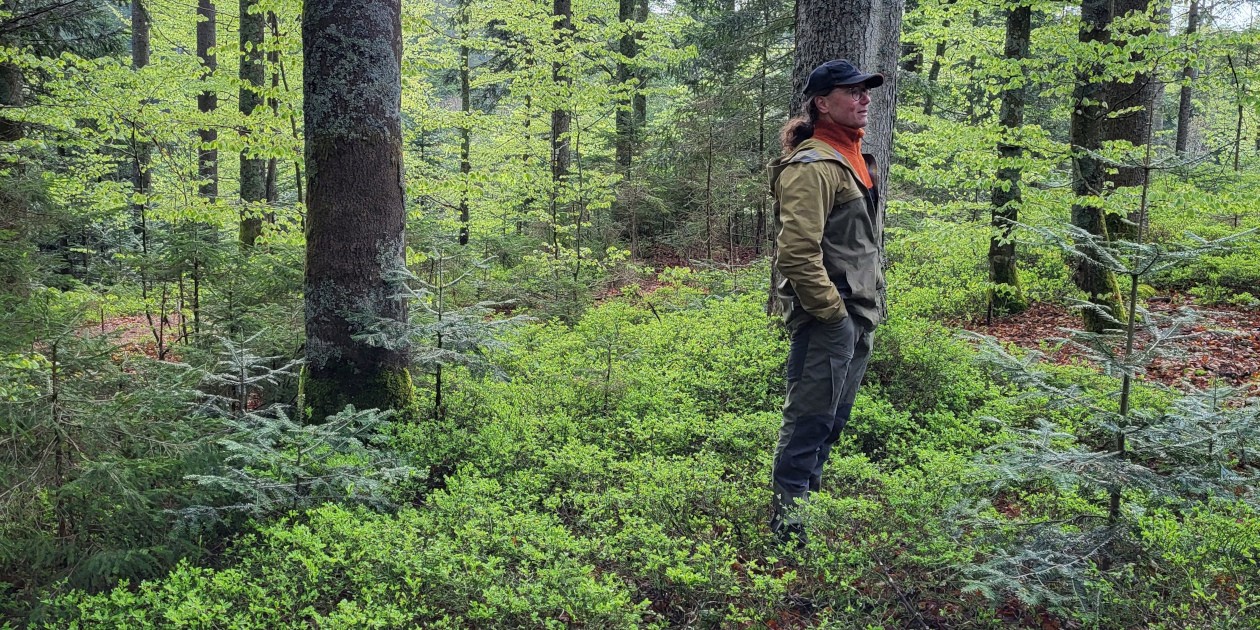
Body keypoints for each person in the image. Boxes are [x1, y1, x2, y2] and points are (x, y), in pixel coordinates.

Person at [768, 59, 888, 547]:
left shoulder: (856, 160)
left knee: (833, 419)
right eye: (851, 91)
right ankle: (787, 528)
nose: (864, 99)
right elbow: (796, 252)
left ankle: (806, 510)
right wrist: (834, 316)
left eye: (866, 91)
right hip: (829, 317)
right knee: (810, 419)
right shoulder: (813, 167)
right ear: (822, 102)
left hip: (859, 313)